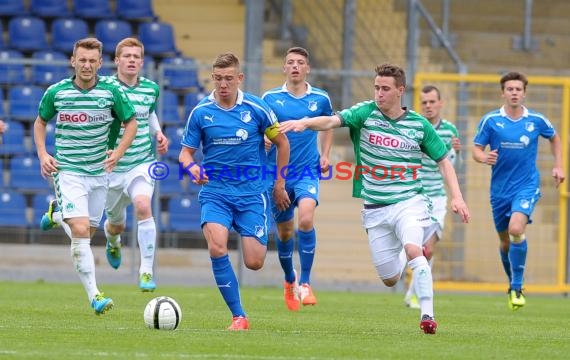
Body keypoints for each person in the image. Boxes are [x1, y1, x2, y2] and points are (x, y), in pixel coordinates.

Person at [280, 63, 470, 335]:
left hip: (410, 202)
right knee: (389, 278)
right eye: (377, 88)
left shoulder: (418, 125)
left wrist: (458, 198)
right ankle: (405, 258)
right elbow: (332, 121)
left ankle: (427, 315)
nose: (379, 93)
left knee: (417, 249)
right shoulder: (365, 112)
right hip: (375, 209)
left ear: (400, 91)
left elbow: (444, 161)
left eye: (385, 89)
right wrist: (305, 123)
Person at [179, 53, 290, 331]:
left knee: (254, 262)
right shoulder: (201, 112)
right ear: (212, 78)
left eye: (229, 78)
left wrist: (279, 183)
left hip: (252, 194)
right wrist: (192, 168)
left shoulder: (256, 107)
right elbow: (184, 154)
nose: (223, 84)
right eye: (218, 78)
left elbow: (283, 143)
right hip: (215, 192)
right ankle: (239, 316)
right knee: (217, 246)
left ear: (239, 78)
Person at [33, 37, 137, 315]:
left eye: (92, 60)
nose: (87, 65)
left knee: (87, 234)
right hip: (67, 172)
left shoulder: (111, 92)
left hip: (99, 173)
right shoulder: (57, 92)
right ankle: (95, 296)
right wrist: (43, 154)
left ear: (100, 63)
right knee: (80, 232)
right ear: (73, 61)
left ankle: (56, 216)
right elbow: (40, 122)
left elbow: (131, 122)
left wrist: (118, 152)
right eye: (82, 60)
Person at [472, 71, 564, 311]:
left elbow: (555, 138)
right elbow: (476, 149)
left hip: (526, 185)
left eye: (518, 89)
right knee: (505, 243)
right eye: (510, 89)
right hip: (500, 191)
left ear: (524, 93)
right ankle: (512, 281)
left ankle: (517, 286)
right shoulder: (491, 121)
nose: (514, 93)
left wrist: (558, 166)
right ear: (503, 92)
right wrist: (484, 158)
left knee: (515, 229)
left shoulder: (536, 120)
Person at [261, 47, 333, 311]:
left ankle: (305, 282)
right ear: (284, 68)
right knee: (285, 232)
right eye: (290, 62)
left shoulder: (321, 98)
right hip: (278, 174)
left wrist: (325, 155)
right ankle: (289, 279)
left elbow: (328, 125)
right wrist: (265, 140)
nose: (295, 66)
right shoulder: (270, 98)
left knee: (305, 218)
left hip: (306, 171)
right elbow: (260, 128)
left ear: (307, 68)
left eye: (300, 62)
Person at [403, 85, 461, 309]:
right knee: (415, 247)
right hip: (414, 194)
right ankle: (414, 292)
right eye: (424, 102)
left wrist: (456, 151)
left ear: (440, 103)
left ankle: (415, 293)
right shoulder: (415, 127)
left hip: (436, 196)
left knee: (428, 248)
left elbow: (450, 165)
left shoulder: (449, 130)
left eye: (431, 102)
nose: (428, 106)